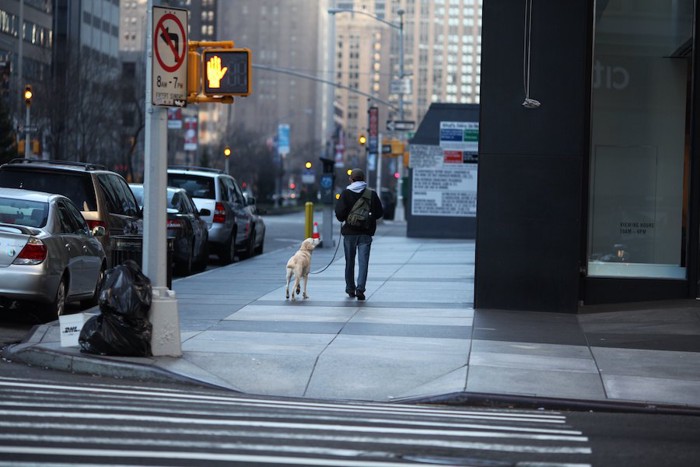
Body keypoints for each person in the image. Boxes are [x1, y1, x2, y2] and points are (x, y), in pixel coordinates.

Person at [335, 168, 384, 300]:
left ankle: (350, 288)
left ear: (351, 179)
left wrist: (347, 218)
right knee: (363, 263)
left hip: (349, 234)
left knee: (349, 262)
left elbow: (339, 215)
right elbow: (379, 213)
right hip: (365, 234)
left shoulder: (345, 193)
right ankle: (360, 289)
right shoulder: (371, 194)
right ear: (363, 179)